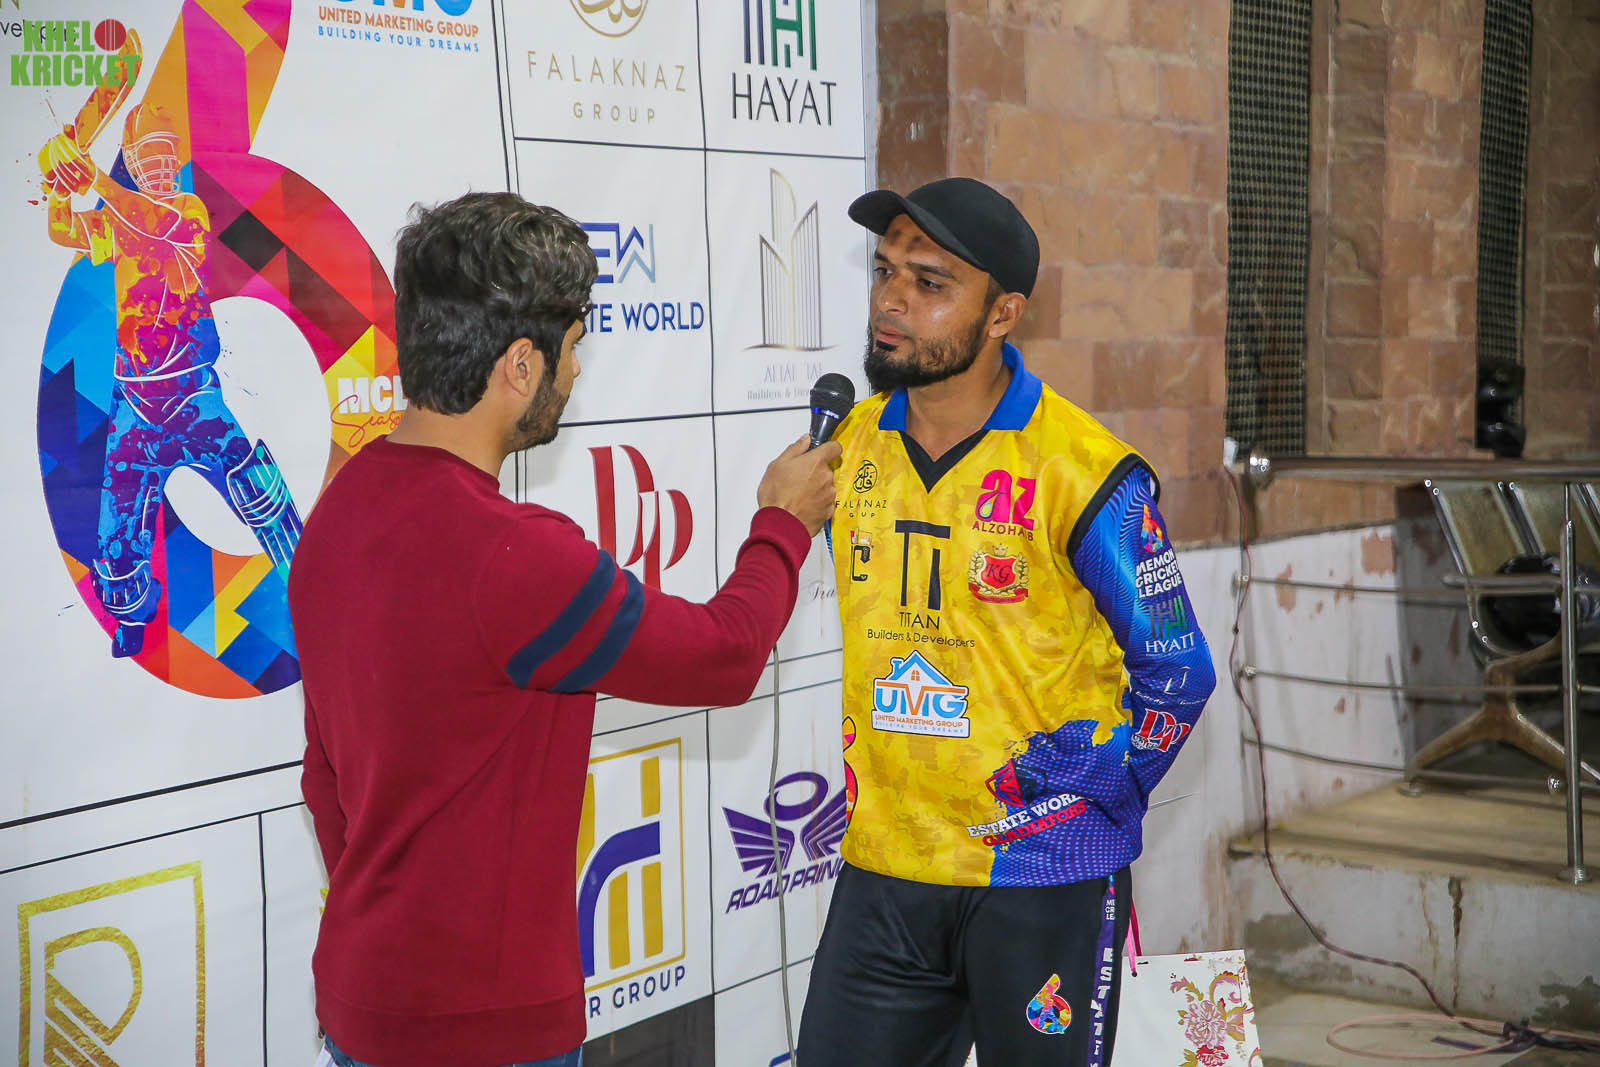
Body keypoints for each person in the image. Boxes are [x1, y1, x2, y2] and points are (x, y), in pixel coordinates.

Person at [288, 191, 840, 1067]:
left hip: (357, 1004)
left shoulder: (335, 512)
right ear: (520, 364)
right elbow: (727, 654)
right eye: (574, 346)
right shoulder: (513, 556)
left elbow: (324, 777)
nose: (576, 372)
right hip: (484, 1032)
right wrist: (784, 523)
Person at [799, 177, 1216, 1067]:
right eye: (884, 271)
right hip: (884, 868)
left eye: (929, 282)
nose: (891, 300)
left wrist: (1096, 787)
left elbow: (1179, 672)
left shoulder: (1082, 468)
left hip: (1041, 879)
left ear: (1003, 314)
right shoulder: (846, 450)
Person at [41, 104, 304, 657]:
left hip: (192, 397)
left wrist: (94, 180)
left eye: (166, 155)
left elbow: (153, 224)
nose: (160, 166)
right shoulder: (123, 218)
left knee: (258, 492)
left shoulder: (186, 211)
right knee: (117, 535)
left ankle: (311, 581)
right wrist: (59, 182)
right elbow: (63, 230)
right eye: (148, 157)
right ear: (135, 165)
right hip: (135, 405)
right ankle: (131, 621)